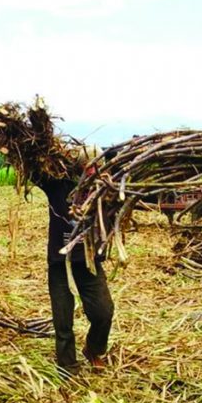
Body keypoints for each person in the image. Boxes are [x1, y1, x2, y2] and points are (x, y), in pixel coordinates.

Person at [34, 146, 115, 375]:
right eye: (88, 166)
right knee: (63, 318)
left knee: (104, 312)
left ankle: (94, 349)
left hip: (88, 261)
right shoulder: (58, 185)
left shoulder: (104, 188)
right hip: (60, 262)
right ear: (78, 166)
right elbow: (34, 171)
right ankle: (67, 365)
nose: (92, 170)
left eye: (96, 166)